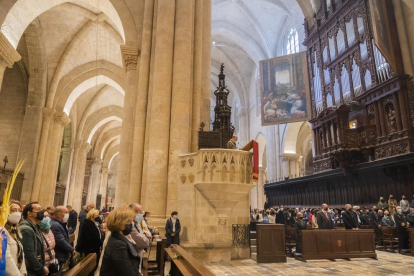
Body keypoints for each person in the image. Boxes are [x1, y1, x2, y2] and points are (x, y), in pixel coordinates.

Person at [99, 206, 141, 276]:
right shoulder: (119, 245)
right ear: (121, 224)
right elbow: (127, 273)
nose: (131, 224)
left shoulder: (116, 238)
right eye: (129, 221)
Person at [20, 202, 48, 276]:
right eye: (38, 209)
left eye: (41, 209)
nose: (41, 211)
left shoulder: (36, 227)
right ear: (29, 213)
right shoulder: (26, 229)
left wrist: (43, 265)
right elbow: (29, 255)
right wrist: (40, 269)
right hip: (31, 272)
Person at [4, 200, 27, 275]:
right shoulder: (2, 231)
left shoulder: (15, 230)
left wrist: (23, 272)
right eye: (13, 210)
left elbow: (21, 253)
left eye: (19, 210)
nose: (17, 213)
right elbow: (6, 257)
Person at [39, 211, 59, 275]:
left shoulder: (49, 230)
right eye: (44, 216)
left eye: (47, 216)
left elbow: (52, 246)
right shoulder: (36, 231)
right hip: (43, 265)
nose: (47, 218)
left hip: (51, 263)